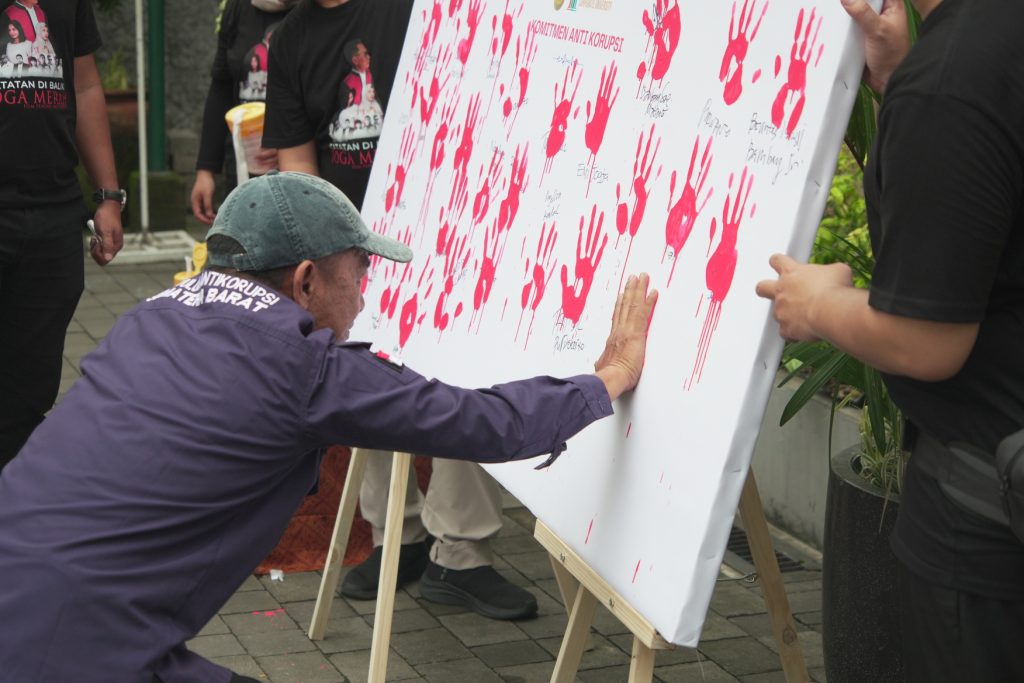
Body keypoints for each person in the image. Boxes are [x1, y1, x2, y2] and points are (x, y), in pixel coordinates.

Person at [0, 170, 658, 682]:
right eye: (360, 271)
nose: (365, 296)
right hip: (72, 645)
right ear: (307, 280)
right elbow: (485, 423)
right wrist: (609, 376)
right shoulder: (301, 366)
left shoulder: (150, 317)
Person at [756, 0, 1024, 679]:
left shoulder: (954, 78)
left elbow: (926, 341)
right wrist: (904, 76)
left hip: (987, 527)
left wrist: (818, 305)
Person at [264, 0, 546, 621]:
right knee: (365, 380)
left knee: (456, 379)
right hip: (350, 247)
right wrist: (327, 257)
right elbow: (298, 165)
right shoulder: (291, 38)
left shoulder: (411, 7)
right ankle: (398, 539)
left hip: (446, 229)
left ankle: (461, 554)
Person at [0, 0, 124, 472]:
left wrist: (108, 195)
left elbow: (85, 84)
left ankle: (13, 506)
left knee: (28, 394)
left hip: (52, 214)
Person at [190, 0, 296, 225]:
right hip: (242, 166)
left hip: (300, 172)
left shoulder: (318, 10)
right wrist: (206, 170)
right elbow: (222, 86)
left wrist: (291, 146)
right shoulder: (237, 6)